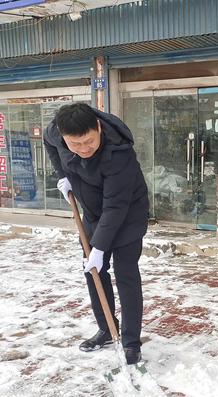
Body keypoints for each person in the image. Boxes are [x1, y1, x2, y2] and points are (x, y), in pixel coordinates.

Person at [44, 103, 149, 365]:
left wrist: (99, 248)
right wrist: (62, 175)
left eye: (88, 141)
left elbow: (116, 206)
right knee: (93, 273)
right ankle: (106, 328)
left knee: (126, 274)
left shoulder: (119, 154)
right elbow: (48, 142)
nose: (83, 149)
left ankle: (130, 341)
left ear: (99, 128)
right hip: (92, 214)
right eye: (75, 144)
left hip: (127, 215)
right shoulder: (56, 133)